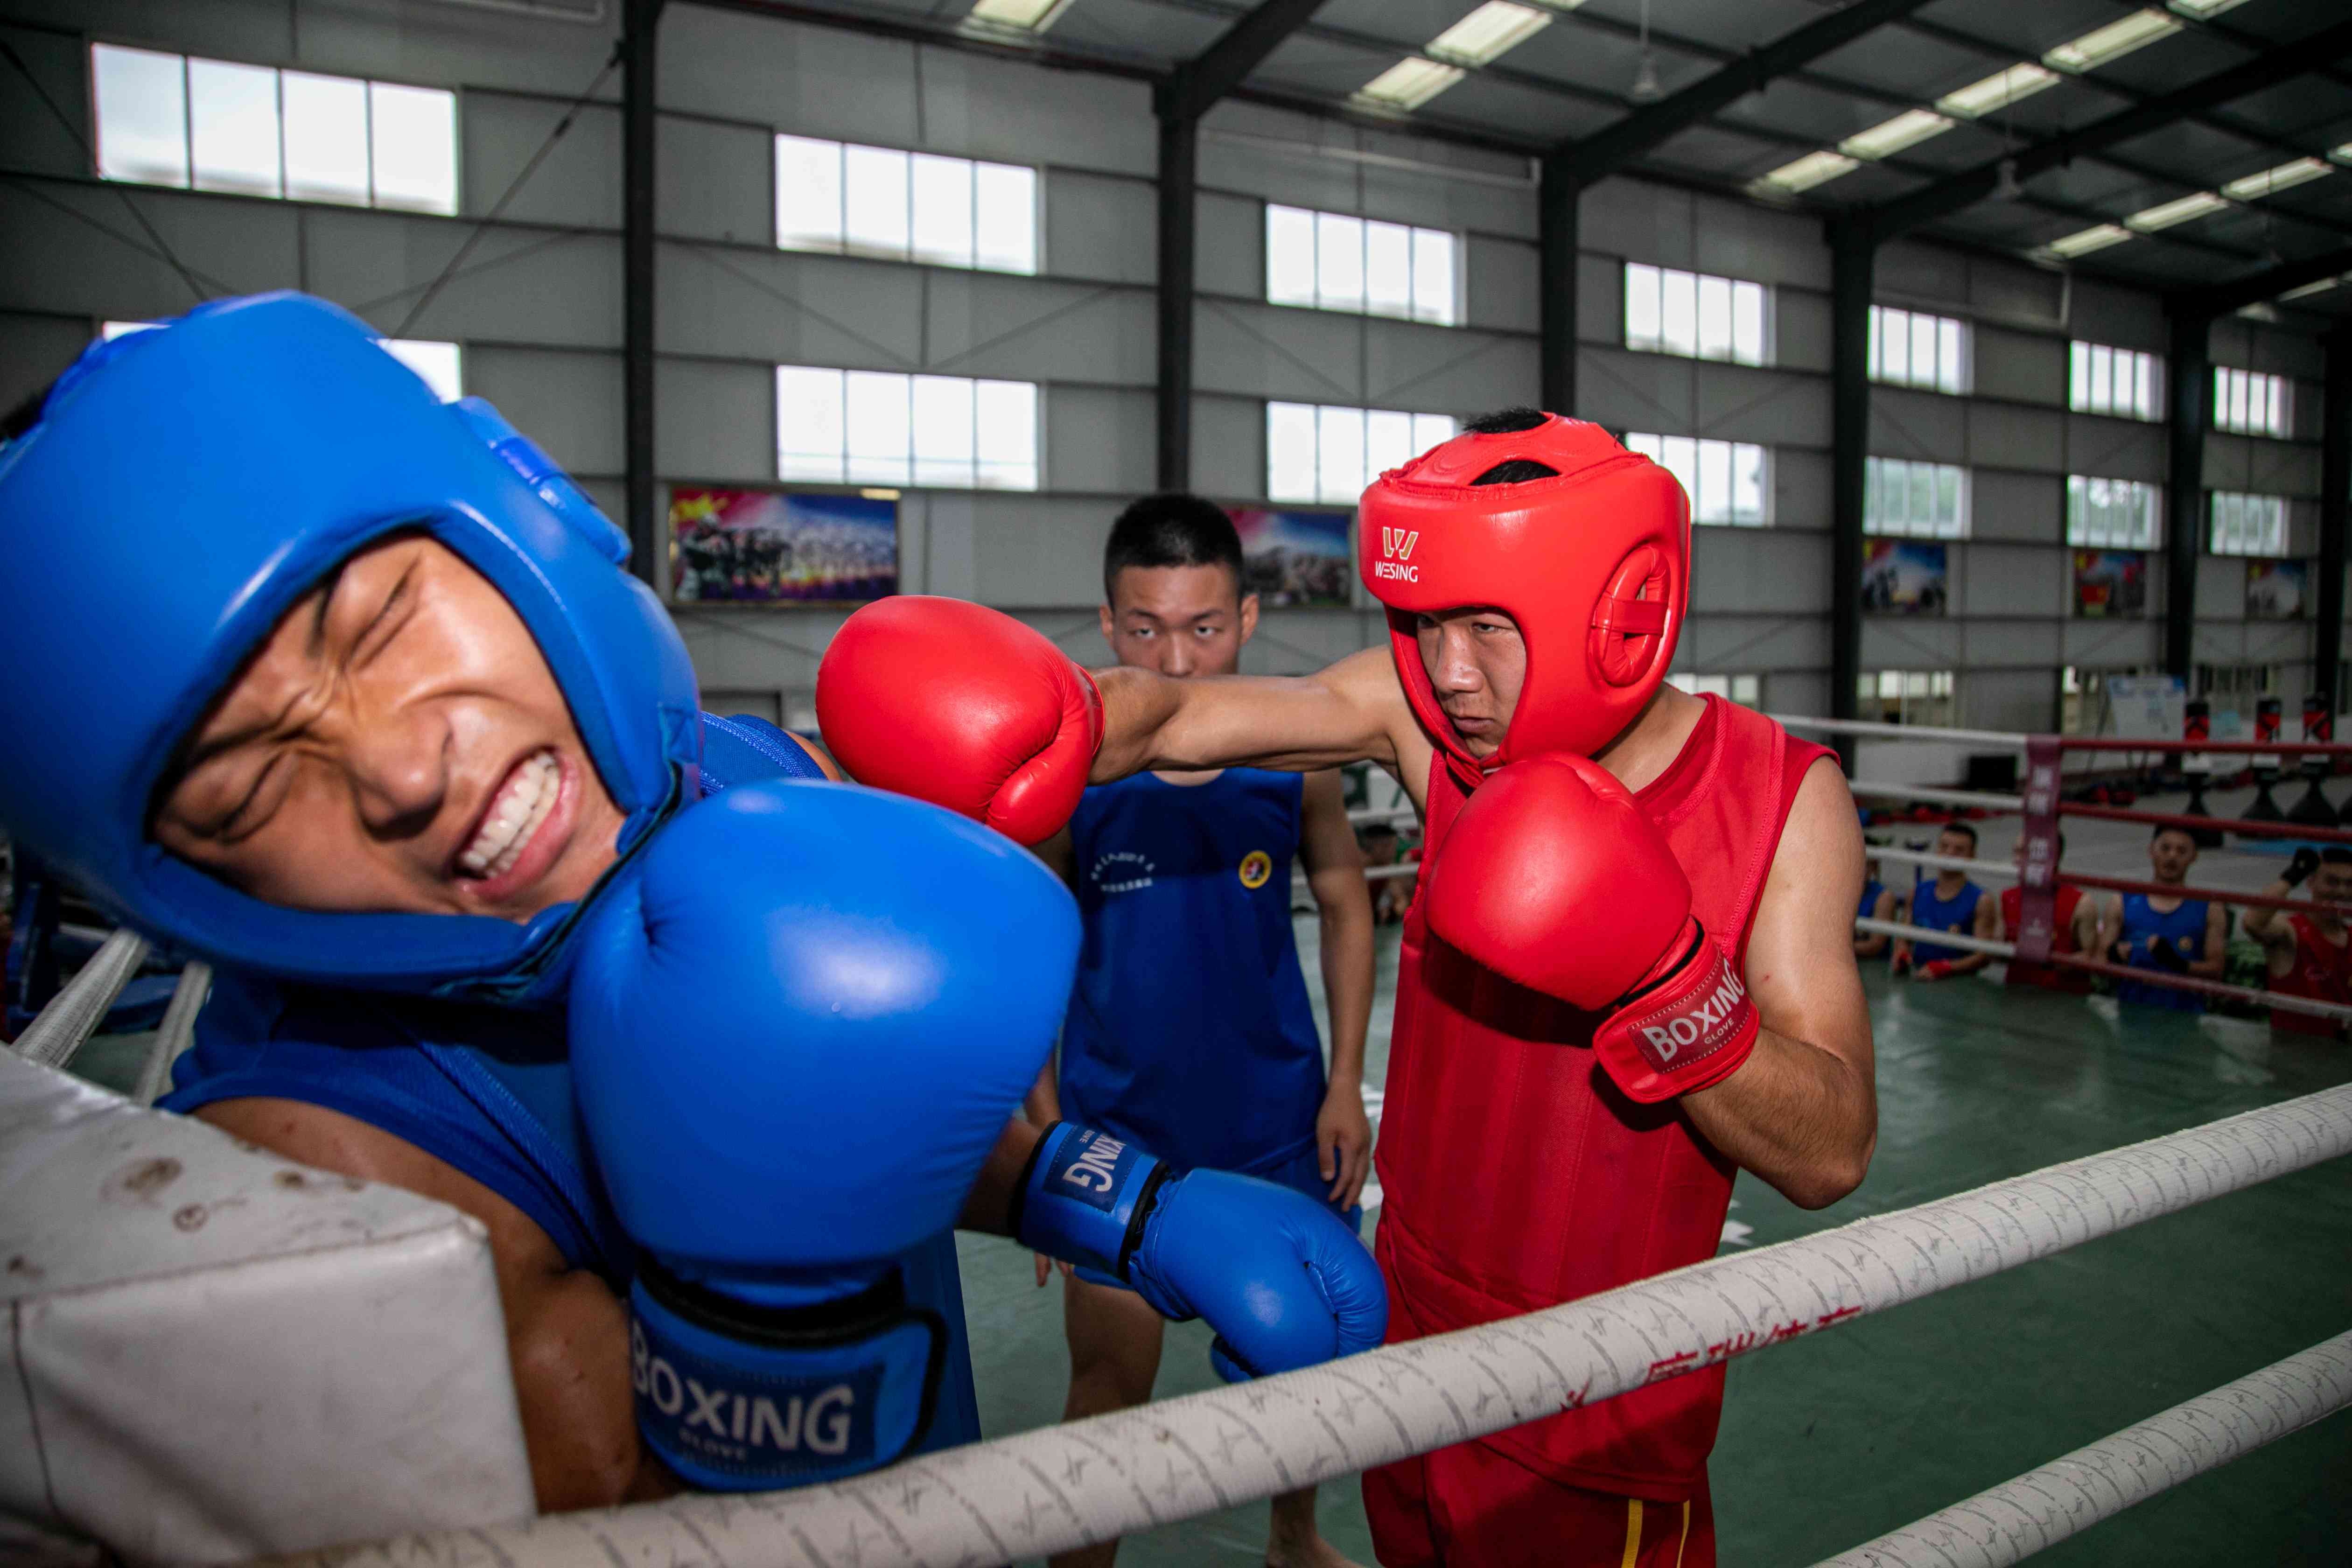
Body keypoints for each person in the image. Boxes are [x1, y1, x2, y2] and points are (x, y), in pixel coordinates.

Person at [0, 294, 1385, 1515]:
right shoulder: (332, 1173)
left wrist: (1117, 1204)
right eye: (246, 798)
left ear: (520, 505)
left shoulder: (729, 780)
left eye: (377, 630)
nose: (402, 769)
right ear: (190, 890)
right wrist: (759, 1322)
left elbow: (857, 1102)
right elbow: (605, 1503)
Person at [818, 409, 1877, 1568]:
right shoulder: (1426, 723)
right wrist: (1055, 717)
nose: (1450, 672)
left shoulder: (1779, 801)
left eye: (1486, 624)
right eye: (1423, 623)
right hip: (1407, 1356)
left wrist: (1668, 978)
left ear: (1617, 611)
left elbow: (1829, 1151)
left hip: (1602, 1405)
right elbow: (1177, 716)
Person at [1024, 494, 1373, 1568]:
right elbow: (1032, 943)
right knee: (1109, 1389)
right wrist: (1043, 1137)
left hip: (1275, 1120)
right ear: (1107, 621)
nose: (1175, 658)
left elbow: (1348, 898)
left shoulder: (1293, 749)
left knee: (1300, 1363)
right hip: (1121, 1133)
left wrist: (1345, 1082)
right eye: (1146, 629)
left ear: (1250, 619)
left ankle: (1293, 1538)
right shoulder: (1074, 770)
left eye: (1205, 628)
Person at [2099, 825, 2227, 1010]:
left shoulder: (2210, 908)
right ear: (2152, 850)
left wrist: (2178, 964)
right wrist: (2115, 955)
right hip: (2132, 1017)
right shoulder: (2122, 902)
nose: (2172, 856)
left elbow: (2217, 971)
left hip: (2185, 1021)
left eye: (2182, 851)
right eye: (2165, 848)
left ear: (2194, 857)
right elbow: (2100, 960)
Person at [2240, 846, 2352, 1040]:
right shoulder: (2291, 932)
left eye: (2350, 884)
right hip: (2294, 1060)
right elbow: (2253, 923)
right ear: (2310, 883)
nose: (2342, 892)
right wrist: (2292, 876)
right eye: (2332, 882)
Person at [1889, 823, 1995, 980]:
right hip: (1919, 976)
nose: (1949, 854)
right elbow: (1904, 935)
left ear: (1972, 855)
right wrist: (1902, 953)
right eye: (1944, 847)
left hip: (1961, 984)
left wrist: (1947, 968)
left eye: (1959, 850)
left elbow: (1984, 956)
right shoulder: (1918, 891)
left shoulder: (1982, 901)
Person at [1996, 833, 2096, 993]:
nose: (2016, 860)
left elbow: (2094, 957)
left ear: (2052, 857)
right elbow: (1996, 951)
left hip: (2063, 1000)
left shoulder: (2081, 903)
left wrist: (2053, 960)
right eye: (2016, 852)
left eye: (2024, 853)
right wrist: (2005, 950)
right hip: (2018, 996)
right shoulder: (2008, 898)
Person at [1853, 842, 1897, 959]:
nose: (1859, 866)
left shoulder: (1883, 897)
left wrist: (1831, 949)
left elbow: (1875, 946)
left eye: (1867, 864)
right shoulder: (1837, 891)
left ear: (1873, 867)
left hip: (1874, 965)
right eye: (1854, 860)